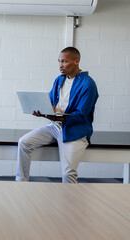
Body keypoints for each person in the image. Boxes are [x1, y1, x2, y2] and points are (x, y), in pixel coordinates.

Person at [16, 47, 98, 184]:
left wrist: (53, 116)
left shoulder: (88, 84)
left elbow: (80, 116)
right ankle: (21, 184)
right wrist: (42, 110)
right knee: (24, 142)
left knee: (68, 174)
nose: (60, 65)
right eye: (59, 61)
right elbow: (50, 102)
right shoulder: (59, 80)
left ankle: (70, 204)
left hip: (75, 131)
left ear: (76, 61)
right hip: (54, 126)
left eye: (64, 61)